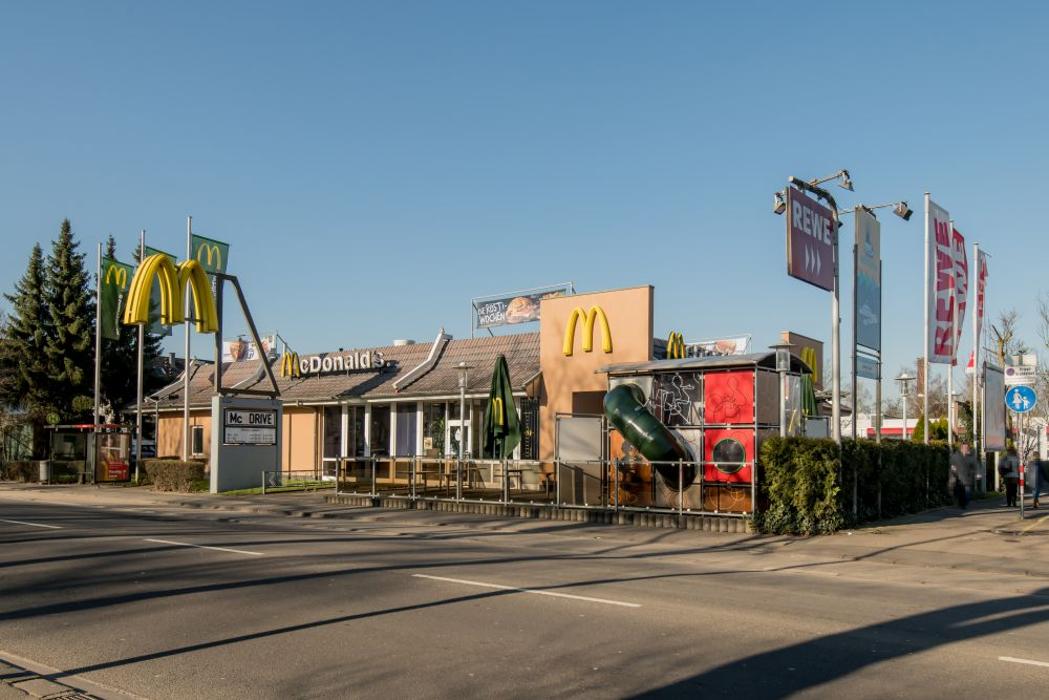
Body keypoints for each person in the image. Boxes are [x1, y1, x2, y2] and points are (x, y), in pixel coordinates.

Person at [950, 442, 979, 510]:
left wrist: (977, 473)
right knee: (960, 493)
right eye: (964, 447)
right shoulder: (956, 456)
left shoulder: (971, 457)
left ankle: (964, 503)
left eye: (967, 448)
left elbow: (975, 466)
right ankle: (962, 504)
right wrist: (953, 469)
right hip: (959, 478)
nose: (966, 449)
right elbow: (952, 464)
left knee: (968, 493)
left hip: (967, 478)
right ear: (961, 448)